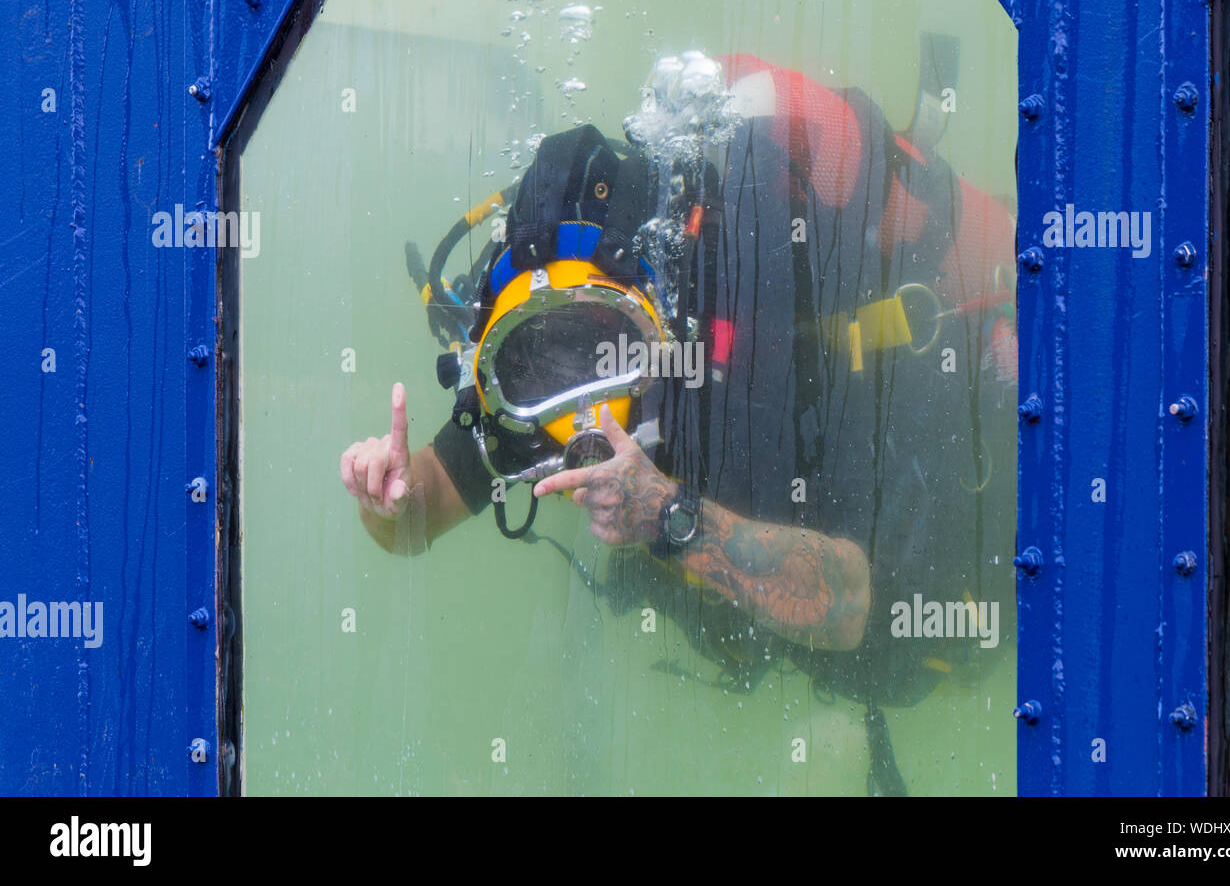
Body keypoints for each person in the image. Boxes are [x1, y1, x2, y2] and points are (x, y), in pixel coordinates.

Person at [340, 52, 1017, 791]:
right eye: (537, 361)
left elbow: (856, 602)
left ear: (659, 327)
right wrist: (391, 500)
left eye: (607, 350)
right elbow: (419, 516)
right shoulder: (527, 403)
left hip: (960, 545)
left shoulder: (742, 356)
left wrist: (665, 517)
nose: (579, 407)